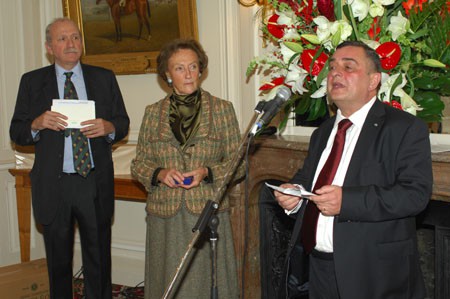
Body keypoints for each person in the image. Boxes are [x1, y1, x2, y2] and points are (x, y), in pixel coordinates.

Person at [273, 41, 432, 299]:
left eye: (348, 67)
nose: (335, 73)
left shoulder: (404, 128)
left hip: (374, 273)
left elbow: (415, 194)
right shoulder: (323, 132)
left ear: (374, 81)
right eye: (332, 67)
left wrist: (347, 201)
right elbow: (308, 181)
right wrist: (293, 195)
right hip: (318, 270)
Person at [10, 17, 129, 298]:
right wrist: (37, 123)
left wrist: (109, 128)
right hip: (55, 184)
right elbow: (17, 131)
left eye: (75, 37)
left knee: (98, 259)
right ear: (49, 47)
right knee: (59, 262)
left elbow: (122, 122)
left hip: (93, 182)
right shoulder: (32, 81)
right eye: (62, 39)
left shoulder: (103, 77)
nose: (71, 43)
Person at [130, 38, 244, 299]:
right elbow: (139, 164)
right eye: (180, 68)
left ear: (201, 69)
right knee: (168, 282)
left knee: (209, 284)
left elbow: (239, 163)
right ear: (167, 75)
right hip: (165, 217)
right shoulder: (152, 112)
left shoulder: (222, 109)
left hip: (206, 212)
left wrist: (207, 172)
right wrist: (159, 173)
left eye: (193, 66)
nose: (189, 74)